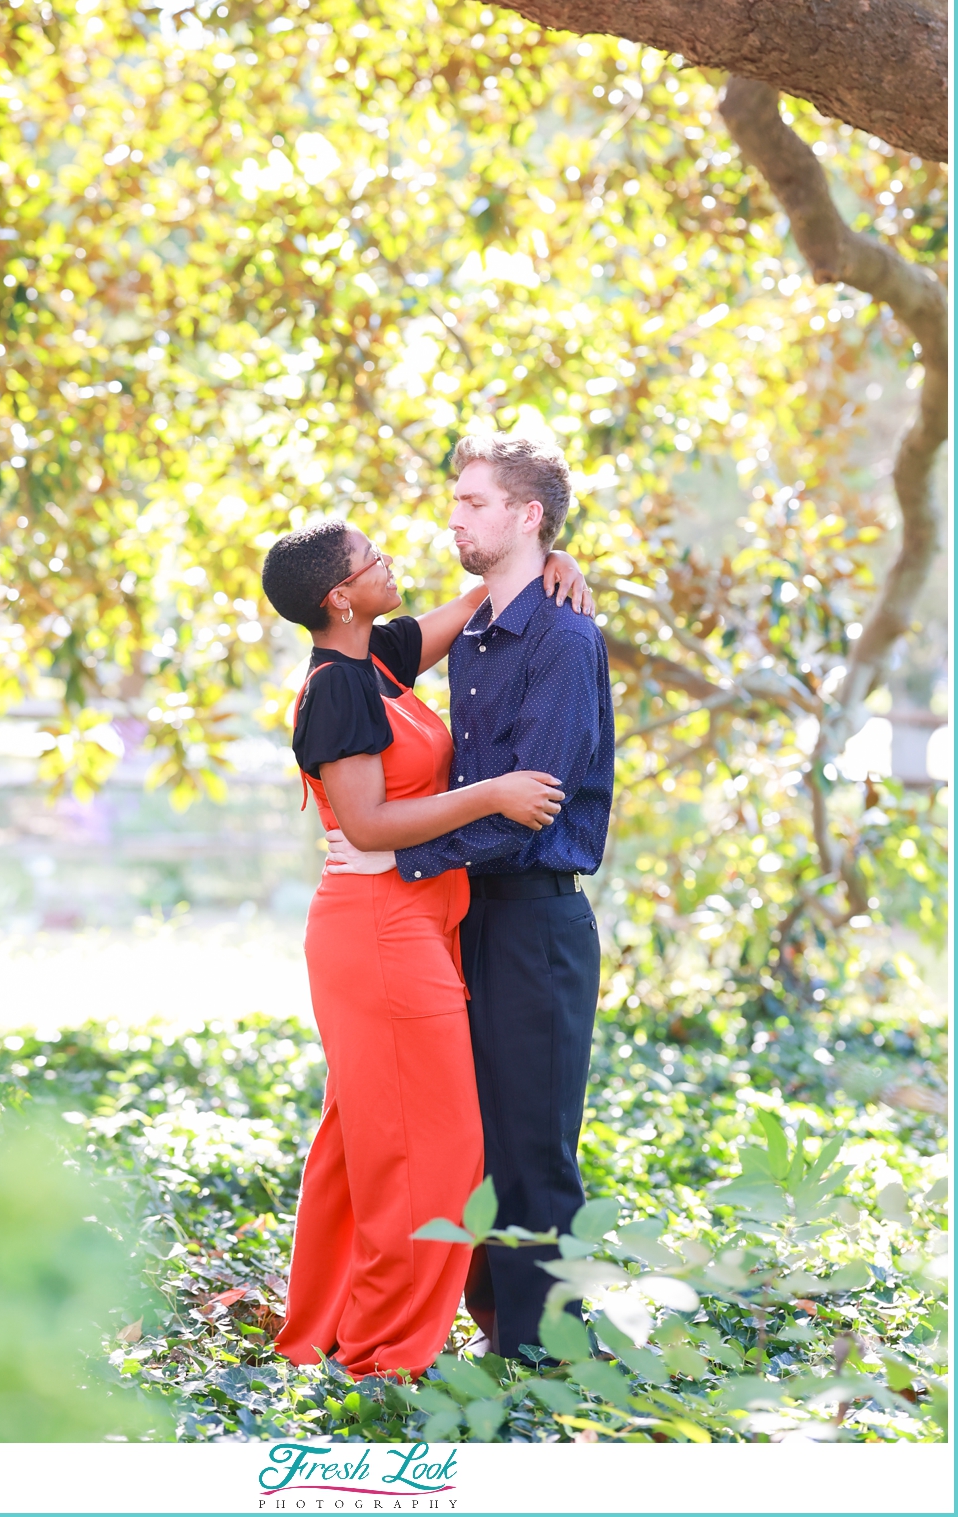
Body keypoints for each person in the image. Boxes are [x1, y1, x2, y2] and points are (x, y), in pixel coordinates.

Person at [260, 518, 591, 1380]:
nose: (390, 561)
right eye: (372, 560)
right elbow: (366, 821)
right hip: (379, 930)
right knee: (435, 1153)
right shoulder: (336, 687)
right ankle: (383, 1352)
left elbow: (484, 593)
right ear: (340, 596)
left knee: (362, 1140)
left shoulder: (380, 657)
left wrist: (550, 559)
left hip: (414, 923)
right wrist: (493, 793)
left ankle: (330, 1323)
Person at [325, 431, 613, 1364]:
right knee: (468, 1140)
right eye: (454, 501)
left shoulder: (565, 639)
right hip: (459, 919)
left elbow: (535, 800)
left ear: (527, 515)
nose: (454, 516)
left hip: (534, 920)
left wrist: (402, 857)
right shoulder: (477, 636)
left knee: (533, 1142)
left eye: (476, 502)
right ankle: (493, 1328)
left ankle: (548, 1354)